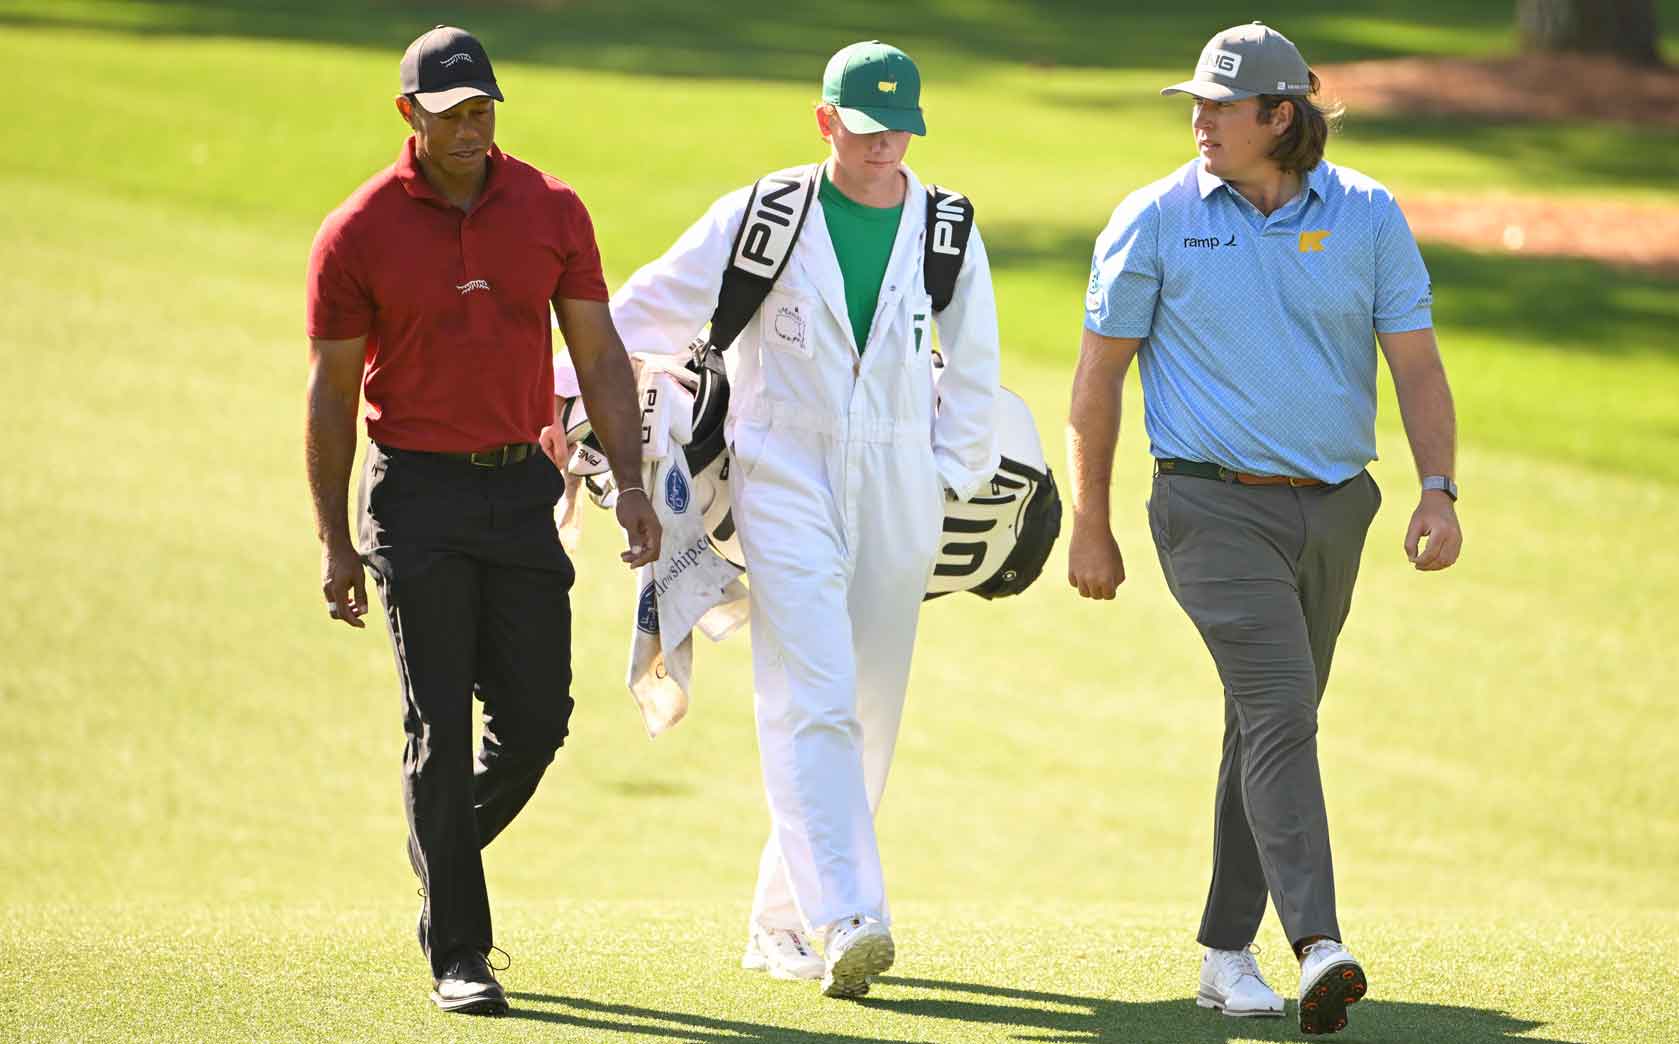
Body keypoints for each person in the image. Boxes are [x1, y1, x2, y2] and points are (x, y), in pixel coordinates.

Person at [1065, 22, 1463, 1037]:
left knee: (1262, 724)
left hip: (1335, 507)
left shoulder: (1367, 214)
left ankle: (1220, 955)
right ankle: (1316, 942)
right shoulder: (1154, 219)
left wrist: (1435, 487)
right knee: (1281, 707)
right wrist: (1091, 523)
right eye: (1191, 105)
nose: (1196, 121)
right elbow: (1096, 380)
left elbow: (1413, 363)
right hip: (1207, 506)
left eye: (1216, 106)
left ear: (1278, 117)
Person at [607, 40, 999, 999]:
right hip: (781, 472)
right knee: (810, 693)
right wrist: (585, 407)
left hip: (902, 486)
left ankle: (780, 922)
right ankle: (850, 918)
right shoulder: (763, 217)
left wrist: (947, 482)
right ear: (824, 122)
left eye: (897, 128)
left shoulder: (946, 227)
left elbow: (975, 372)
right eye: (863, 129)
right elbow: (637, 312)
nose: (881, 147)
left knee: (867, 711)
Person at [303, 25, 661, 1017]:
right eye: (451, 111)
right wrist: (334, 541)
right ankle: (460, 951)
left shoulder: (550, 208)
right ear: (407, 113)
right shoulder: (359, 230)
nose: (471, 126)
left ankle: (437, 850)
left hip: (520, 492)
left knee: (539, 720)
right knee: (441, 727)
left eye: (483, 109)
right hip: (414, 497)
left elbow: (597, 355)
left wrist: (626, 481)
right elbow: (331, 396)